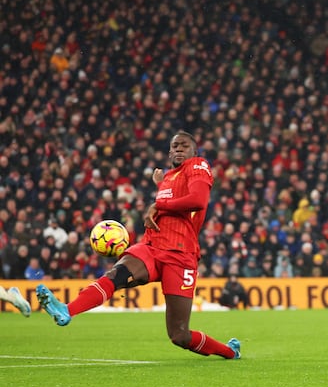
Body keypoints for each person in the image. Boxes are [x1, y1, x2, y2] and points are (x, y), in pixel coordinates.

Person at [36, 131, 240, 359]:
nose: (179, 149)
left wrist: (158, 202)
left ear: (194, 151)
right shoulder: (169, 178)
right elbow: (171, 203)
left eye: (184, 145)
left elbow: (198, 201)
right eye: (175, 146)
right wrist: (161, 187)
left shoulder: (198, 165)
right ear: (169, 151)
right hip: (152, 247)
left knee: (179, 335)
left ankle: (229, 352)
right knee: (116, 275)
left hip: (181, 255)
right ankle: (67, 310)